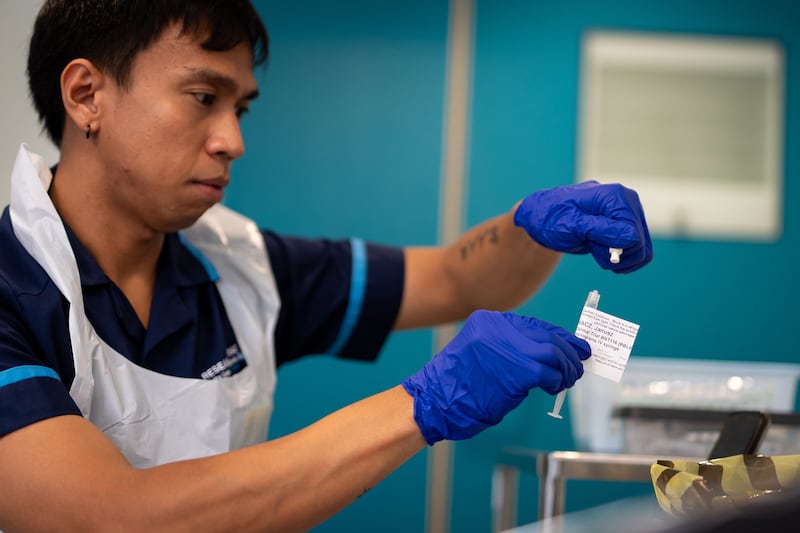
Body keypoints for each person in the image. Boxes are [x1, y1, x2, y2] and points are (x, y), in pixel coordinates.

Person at [0, 1, 653, 531]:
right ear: (87, 94)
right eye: (203, 96)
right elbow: (106, 515)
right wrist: (421, 404)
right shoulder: (12, 287)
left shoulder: (240, 268)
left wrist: (530, 228)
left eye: (241, 108)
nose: (233, 140)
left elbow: (455, 280)